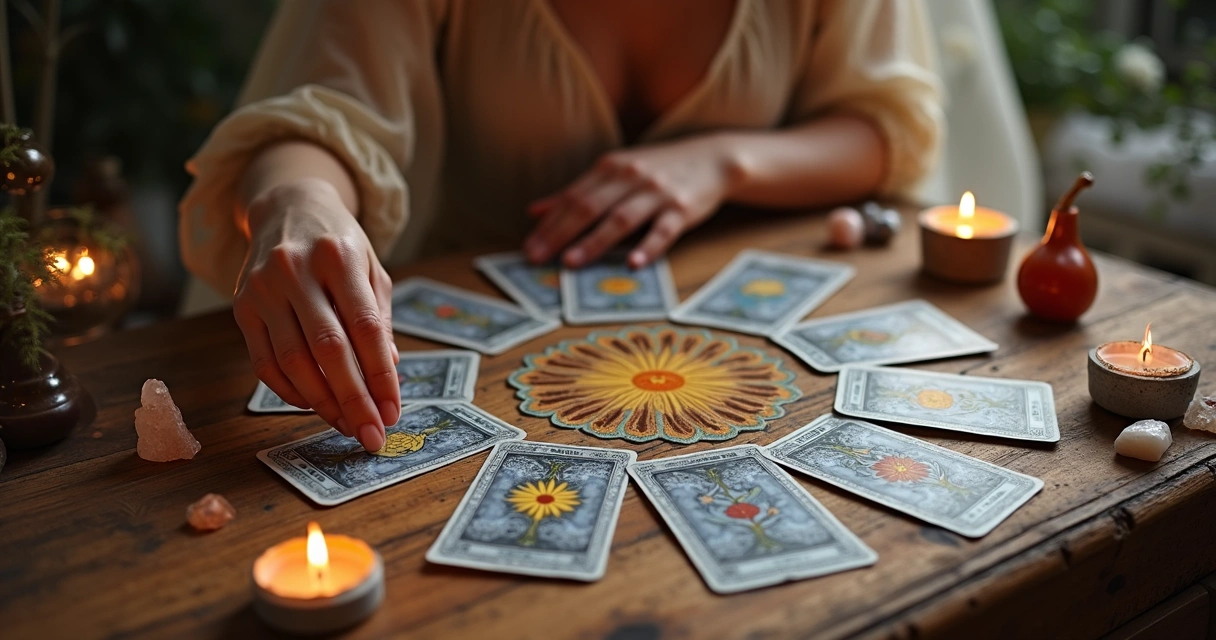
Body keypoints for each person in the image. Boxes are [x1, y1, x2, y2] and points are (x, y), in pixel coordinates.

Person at [179, 0, 942, 452]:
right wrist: (296, 200)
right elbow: (317, 116)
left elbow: (886, 129)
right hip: (464, 348)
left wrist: (725, 160)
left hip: (755, 323)